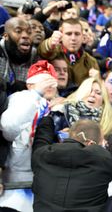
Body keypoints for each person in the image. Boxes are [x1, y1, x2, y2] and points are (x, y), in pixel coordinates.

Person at [32, 118, 112, 211]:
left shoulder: (41, 156)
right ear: (91, 143)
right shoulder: (105, 162)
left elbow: (41, 138)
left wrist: (48, 119)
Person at [0, 60, 58, 211]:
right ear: (30, 85)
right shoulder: (21, 98)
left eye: (51, 80)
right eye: (44, 80)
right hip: (17, 177)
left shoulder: (61, 105)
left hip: (47, 178)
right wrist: (36, 95)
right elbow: (8, 128)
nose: (49, 84)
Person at [38, 18, 99, 85]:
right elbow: (43, 50)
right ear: (61, 35)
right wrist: (50, 43)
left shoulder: (91, 62)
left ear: (82, 37)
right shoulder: (53, 52)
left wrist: (98, 79)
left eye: (77, 34)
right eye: (69, 34)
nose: (73, 38)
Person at [0, 17, 35, 92]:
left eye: (29, 32)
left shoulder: (36, 55)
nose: (25, 36)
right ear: (6, 36)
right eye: (18, 31)